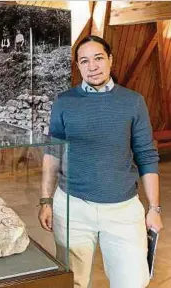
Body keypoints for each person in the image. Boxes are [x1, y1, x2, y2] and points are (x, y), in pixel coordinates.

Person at [38, 35, 163, 288]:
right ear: (78, 66)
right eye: (84, 61)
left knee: (132, 281)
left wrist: (154, 208)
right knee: (73, 280)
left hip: (122, 209)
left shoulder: (133, 101)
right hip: (72, 206)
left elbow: (146, 155)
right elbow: (52, 153)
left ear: (110, 59)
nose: (92, 66)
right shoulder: (64, 102)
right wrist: (45, 200)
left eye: (98, 58)